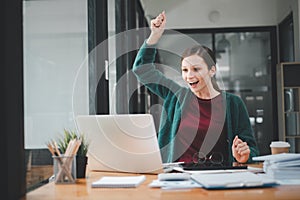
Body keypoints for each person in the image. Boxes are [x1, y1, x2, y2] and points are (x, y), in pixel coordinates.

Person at [133, 11, 259, 164]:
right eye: (185, 70)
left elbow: (251, 148)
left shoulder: (233, 104)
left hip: (218, 175)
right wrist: (154, 36)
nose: (189, 75)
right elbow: (142, 69)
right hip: (178, 176)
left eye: (196, 69)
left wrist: (245, 155)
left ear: (212, 70)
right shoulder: (176, 95)